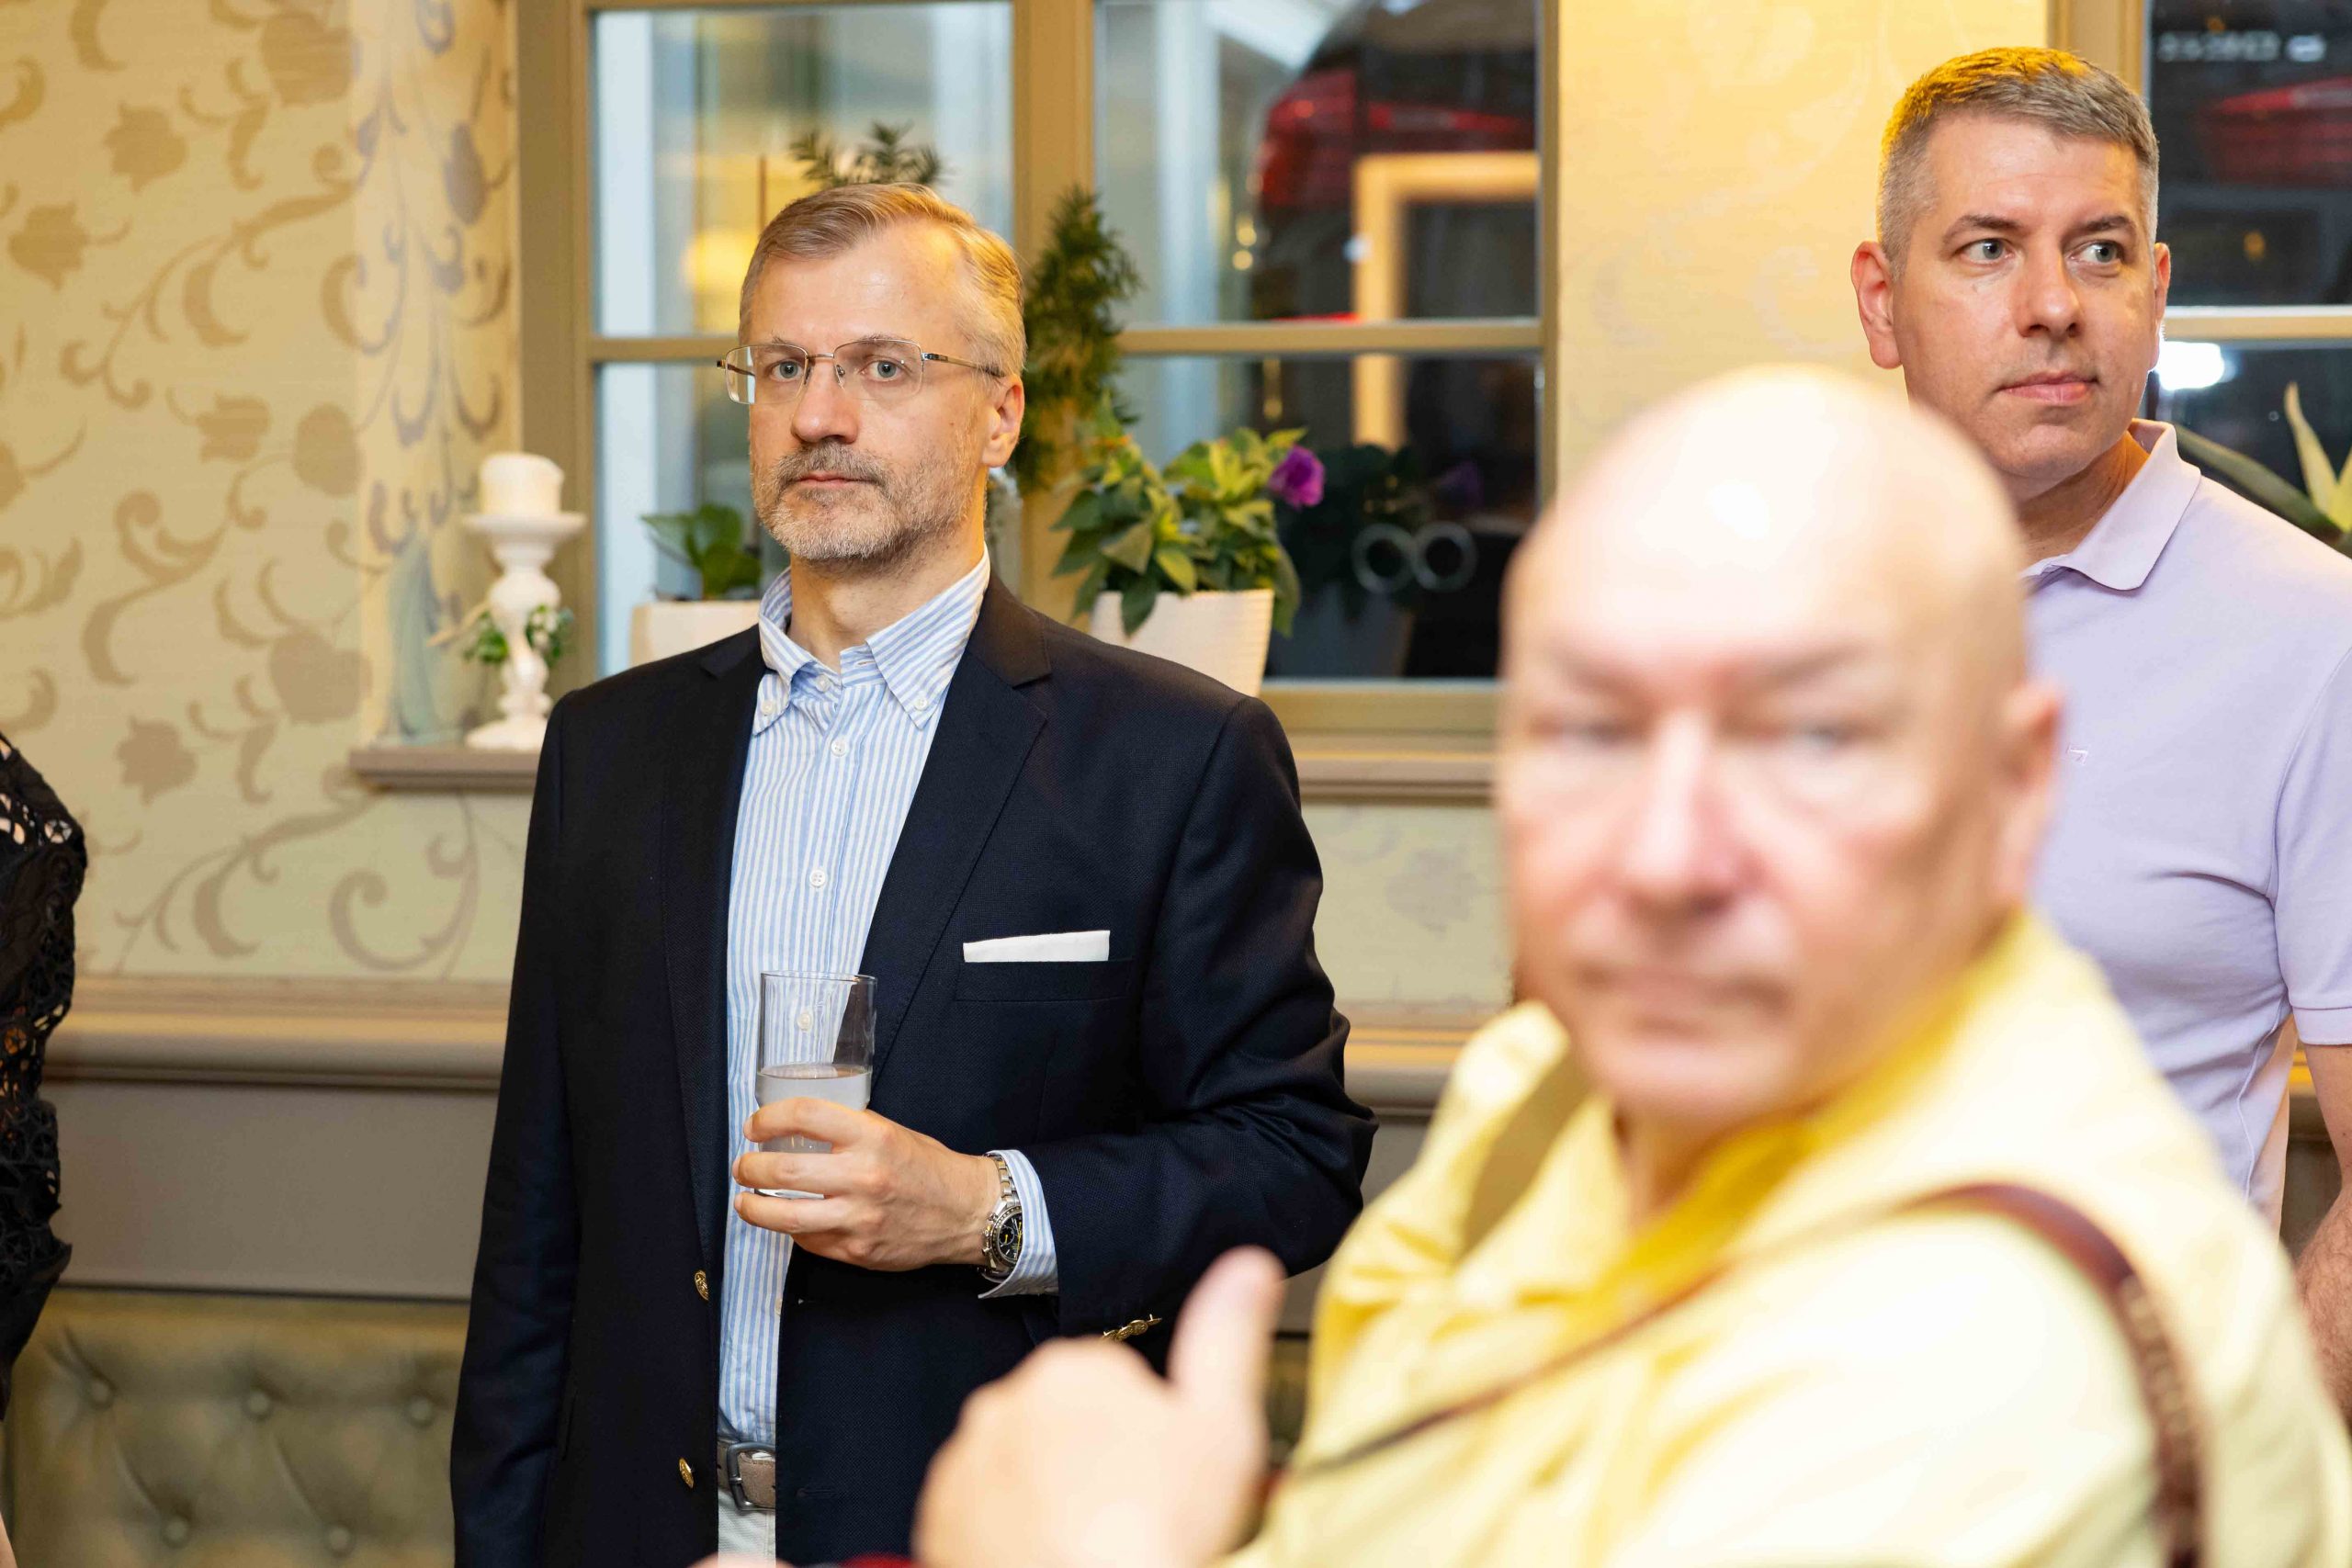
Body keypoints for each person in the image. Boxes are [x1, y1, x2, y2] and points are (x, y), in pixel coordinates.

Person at [906, 368, 2352, 1568]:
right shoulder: (1554, 1089)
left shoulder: (2001, 1360)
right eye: (1591, 730)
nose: (1666, 858)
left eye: (1811, 737)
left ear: (2011, 787)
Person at [451, 184, 1373, 1568]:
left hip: (973, 1530)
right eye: (783, 367)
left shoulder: (1175, 757)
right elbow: (537, 1219)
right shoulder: (609, 750)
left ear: (1000, 414)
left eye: (883, 367)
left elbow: (1294, 1156)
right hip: (637, 1530)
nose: (820, 415)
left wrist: (986, 1211)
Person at [1849, 47, 2352, 1406]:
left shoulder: (2315, 640)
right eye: (1989, 249)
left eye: (2101, 251)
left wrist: (2239, 1476)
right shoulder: (1772, 592)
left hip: (2127, 1470)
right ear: (1884, 301)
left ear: (2157, 292)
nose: (2055, 306)